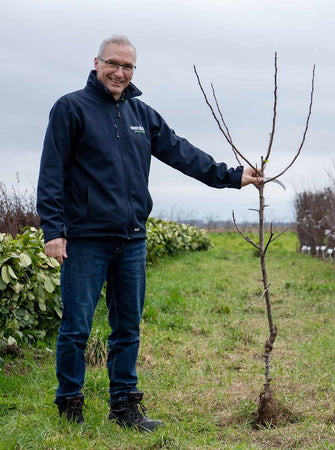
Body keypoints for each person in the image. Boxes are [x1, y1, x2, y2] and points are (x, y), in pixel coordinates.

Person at [37, 35, 262, 433]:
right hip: (86, 239)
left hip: (132, 238)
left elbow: (181, 152)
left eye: (128, 67)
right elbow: (52, 172)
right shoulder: (71, 108)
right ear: (96, 63)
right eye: (113, 64)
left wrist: (231, 176)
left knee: (128, 327)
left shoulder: (142, 114)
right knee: (76, 327)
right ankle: (69, 404)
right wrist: (53, 230)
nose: (119, 73)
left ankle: (124, 406)